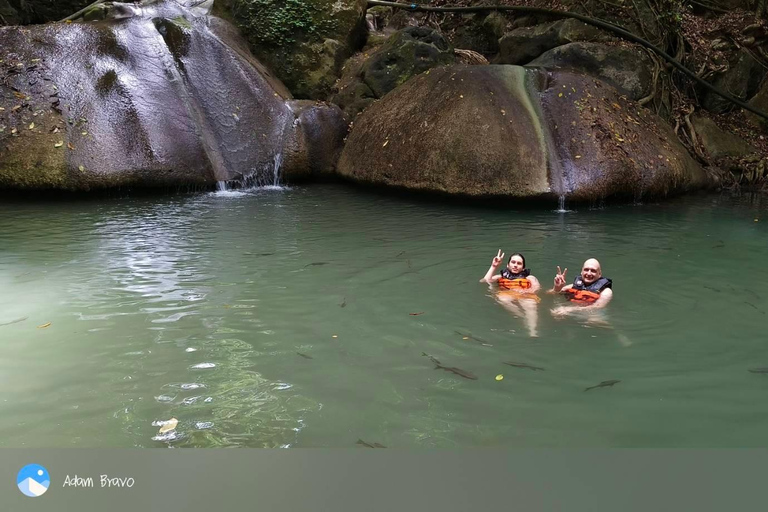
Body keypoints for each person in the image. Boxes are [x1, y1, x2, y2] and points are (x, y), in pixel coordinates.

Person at [480, 250, 541, 337]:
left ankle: (533, 331)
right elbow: (484, 281)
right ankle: (522, 316)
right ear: (508, 265)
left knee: (530, 305)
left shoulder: (530, 278)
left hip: (525, 295)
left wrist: (525, 292)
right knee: (502, 298)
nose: (515, 265)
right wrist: (494, 266)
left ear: (523, 267)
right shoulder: (501, 277)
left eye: (519, 263)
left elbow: (536, 288)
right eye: (513, 262)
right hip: (507, 295)